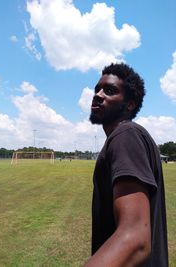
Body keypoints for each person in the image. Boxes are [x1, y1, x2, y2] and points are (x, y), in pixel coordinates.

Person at [84, 63, 168, 267]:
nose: (98, 95)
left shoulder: (125, 135)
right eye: (97, 89)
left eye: (110, 91)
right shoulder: (128, 136)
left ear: (130, 105)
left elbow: (135, 239)